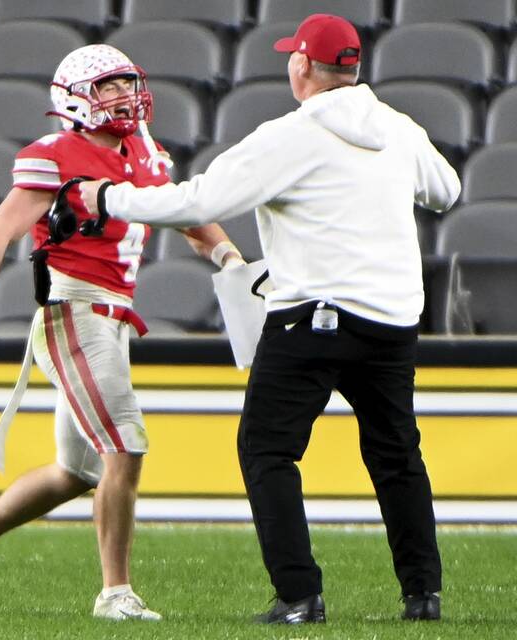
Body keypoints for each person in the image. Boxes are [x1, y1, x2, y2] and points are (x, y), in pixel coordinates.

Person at [79, 14, 461, 624]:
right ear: (354, 70)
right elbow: (446, 191)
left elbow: (199, 200)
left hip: (313, 317)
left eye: (294, 57)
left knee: (266, 449)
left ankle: (300, 595)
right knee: (397, 456)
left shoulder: (290, 134)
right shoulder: (397, 127)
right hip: (392, 321)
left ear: (303, 65)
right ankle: (423, 595)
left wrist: (109, 198)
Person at [0, 44, 244, 619]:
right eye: (108, 87)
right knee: (124, 441)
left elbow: (188, 217)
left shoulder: (143, 150)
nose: (125, 95)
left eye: (128, 83)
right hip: (72, 312)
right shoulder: (56, 154)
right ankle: (115, 593)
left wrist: (231, 260)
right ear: (75, 99)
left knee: (77, 472)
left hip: (113, 318)